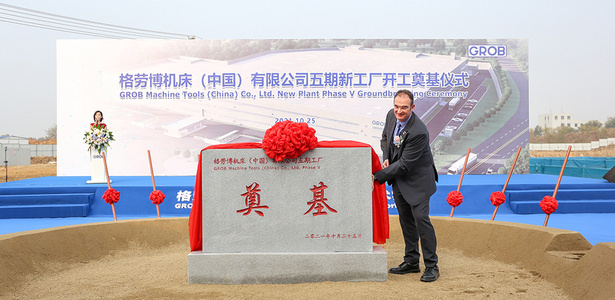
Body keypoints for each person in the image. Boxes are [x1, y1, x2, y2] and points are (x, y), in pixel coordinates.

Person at [373, 89, 440, 282]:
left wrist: (377, 176)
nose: (399, 111)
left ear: (412, 107)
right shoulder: (390, 115)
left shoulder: (418, 131)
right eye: (396, 106)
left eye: (404, 107)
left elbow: (405, 164)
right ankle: (411, 261)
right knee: (406, 221)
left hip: (417, 180)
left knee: (421, 220)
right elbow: (385, 138)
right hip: (399, 178)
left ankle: (432, 266)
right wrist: (386, 158)